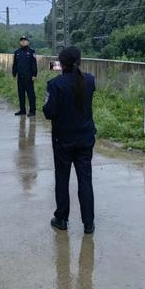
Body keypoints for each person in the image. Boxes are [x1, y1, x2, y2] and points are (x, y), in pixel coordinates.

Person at [43, 46, 96, 234]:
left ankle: (62, 218)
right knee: (85, 180)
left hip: (63, 140)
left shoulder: (55, 84)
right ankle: (88, 223)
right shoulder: (90, 81)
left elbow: (49, 112)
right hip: (85, 138)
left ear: (61, 63)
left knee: (62, 179)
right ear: (79, 61)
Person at [12, 36, 37, 117]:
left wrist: (34, 74)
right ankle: (22, 110)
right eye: (21, 40)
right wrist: (14, 73)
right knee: (21, 94)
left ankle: (32, 111)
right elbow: (15, 64)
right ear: (20, 42)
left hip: (29, 77)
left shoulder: (31, 52)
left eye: (25, 40)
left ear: (28, 42)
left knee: (30, 95)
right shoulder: (17, 52)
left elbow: (34, 64)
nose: (23, 42)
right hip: (20, 77)